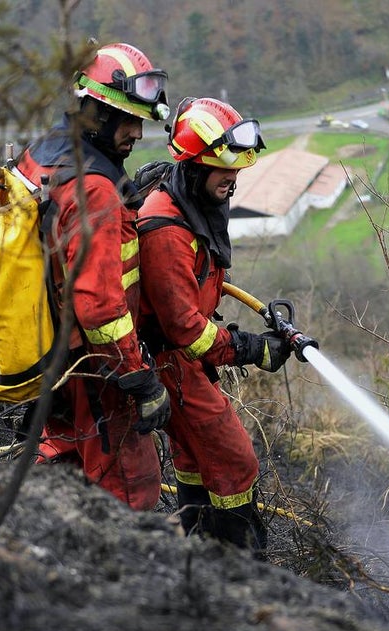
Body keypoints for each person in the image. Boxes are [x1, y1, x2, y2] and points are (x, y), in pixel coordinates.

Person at [15, 42, 171, 511]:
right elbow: (101, 307)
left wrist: (127, 198)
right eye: (128, 121)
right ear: (98, 115)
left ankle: (41, 544)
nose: (138, 134)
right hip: (98, 368)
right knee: (130, 485)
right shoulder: (95, 192)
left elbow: (58, 237)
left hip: (51, 352)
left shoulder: (44, 152)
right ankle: (121, 576)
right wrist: (139, 380)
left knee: (62, 456)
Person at [136, 97, 289, 553]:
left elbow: (199, 283)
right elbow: (187, 329)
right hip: (170, 361)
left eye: (237, 170)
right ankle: (240, 561)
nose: (234, 179)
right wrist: (252, 349)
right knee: (232, 458)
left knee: (194, 455)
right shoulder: (165, 229)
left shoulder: (193, 205)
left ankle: (199, 550)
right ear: (194, 166)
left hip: (180, 362)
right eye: (225, 170)